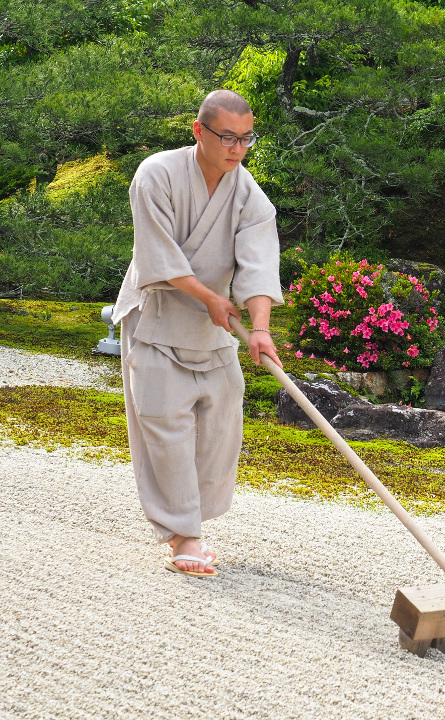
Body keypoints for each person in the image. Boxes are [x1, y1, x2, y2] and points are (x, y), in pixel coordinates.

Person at [113, 89, 283, 577]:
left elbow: (257, 262)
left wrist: (260, 327)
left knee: (224, 416)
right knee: (163, 422)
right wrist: (210, 298)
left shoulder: (249, 193)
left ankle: (195, 517)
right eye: (227, 137)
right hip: (160, 316)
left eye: (246, 138)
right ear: (198, 131)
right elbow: (158, 256)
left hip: (216, 326)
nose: (236, 148)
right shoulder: (156, 174)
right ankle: (184, 537)